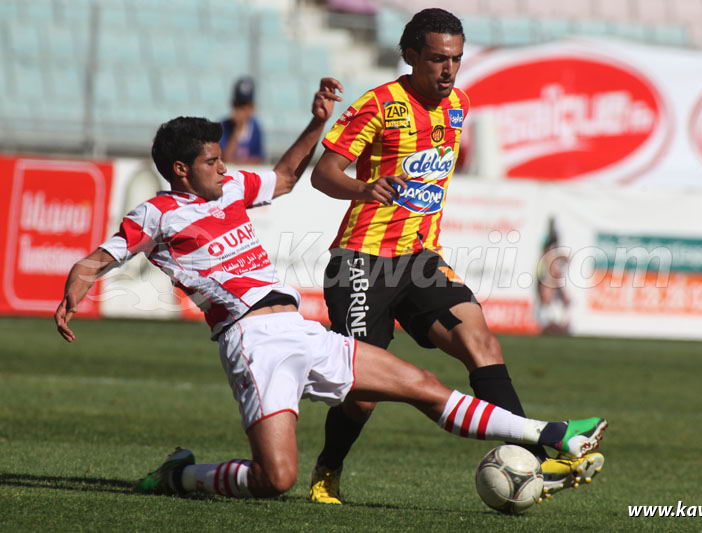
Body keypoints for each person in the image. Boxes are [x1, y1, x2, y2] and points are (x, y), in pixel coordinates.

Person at [53, 84, 607, 502]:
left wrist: (316, 122)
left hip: (298, 329)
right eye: (211, 161)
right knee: (277, 480)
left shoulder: (233, 188)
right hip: (252, 341)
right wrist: (72, 294)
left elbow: (289, 175)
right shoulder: (156, 213)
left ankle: (553, 434)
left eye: (222, 159)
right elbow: (96, 260)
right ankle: (184, 475)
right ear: (180, 169)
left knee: (423, 385)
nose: (224, 168)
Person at [308, 8, 605, 504]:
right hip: (362, 261)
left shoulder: (459, 105)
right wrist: (364, 187)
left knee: (482, 343)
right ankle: (328, 467)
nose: (448, 70)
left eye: (456, 60)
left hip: (421, 259)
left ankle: (530, 455)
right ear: (410, 56)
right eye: (437, 59)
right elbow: (325, 173)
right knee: (363, 392)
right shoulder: (379, 105)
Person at [220, 76, 266, 164]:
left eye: (246, 105)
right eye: (239, 105)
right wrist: (237, 129)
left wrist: (237, 162)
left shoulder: (255, 127)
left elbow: (259, 159)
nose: (242, 109)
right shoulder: (223, 127)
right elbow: (225, 160)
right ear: (233, 104)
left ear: (252, 107)